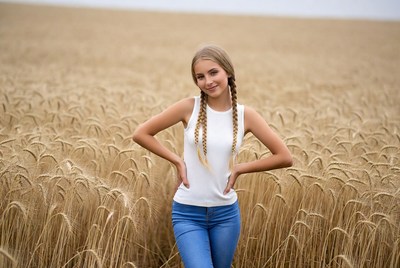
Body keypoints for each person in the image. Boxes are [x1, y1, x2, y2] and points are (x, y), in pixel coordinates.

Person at [132, 44, 293, 268]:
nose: (208, 81)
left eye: (213, 72)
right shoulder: (188, 108)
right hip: (187, 212)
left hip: (226, 215)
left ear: (228, 71)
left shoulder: (246, 116)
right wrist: (177, 160)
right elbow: (141, 133)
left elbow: (285, 156)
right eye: (200, 76)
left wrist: (240, 168)